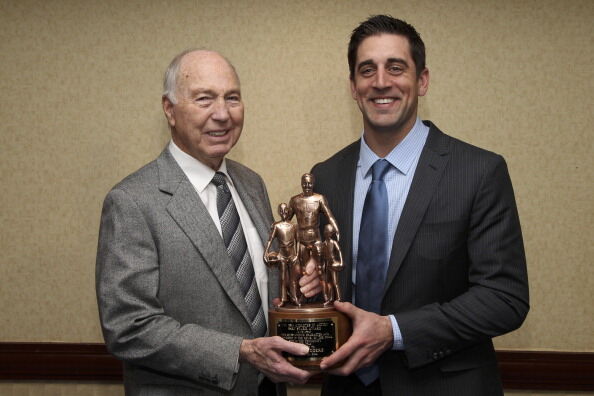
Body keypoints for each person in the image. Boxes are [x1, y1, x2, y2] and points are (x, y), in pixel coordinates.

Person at [311, 15, 529, 396]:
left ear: (422, 80)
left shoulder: (478, 171)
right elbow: (334, 288)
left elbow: (504, 298)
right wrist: (310, 289)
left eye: (396, 68)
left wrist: (394, 331)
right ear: (353, 86)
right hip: (346, 387)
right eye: (367, 70)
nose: (381, 82)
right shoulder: (325, 177)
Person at [96, 49, 320, 396]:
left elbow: (257, 285)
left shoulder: (251, 184)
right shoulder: (133, 201)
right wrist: (241, 352)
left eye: (232, 98)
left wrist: (301, 282)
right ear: (169, 109)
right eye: (204, 99)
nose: (222, 114)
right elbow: (128, 327)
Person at [263, 203, 301, 307]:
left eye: (286, 211)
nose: (284, 213)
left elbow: (298, 241)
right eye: (282, 211)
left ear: (288, 211)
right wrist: (265, 252)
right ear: (279, 212)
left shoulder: (293, 225)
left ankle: (294, 297)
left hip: (292, 254)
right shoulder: (277, 225)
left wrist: (297, 255)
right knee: (283, 278)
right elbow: (270, 240)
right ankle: (283, 299)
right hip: (282, 255)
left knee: (293, 279)